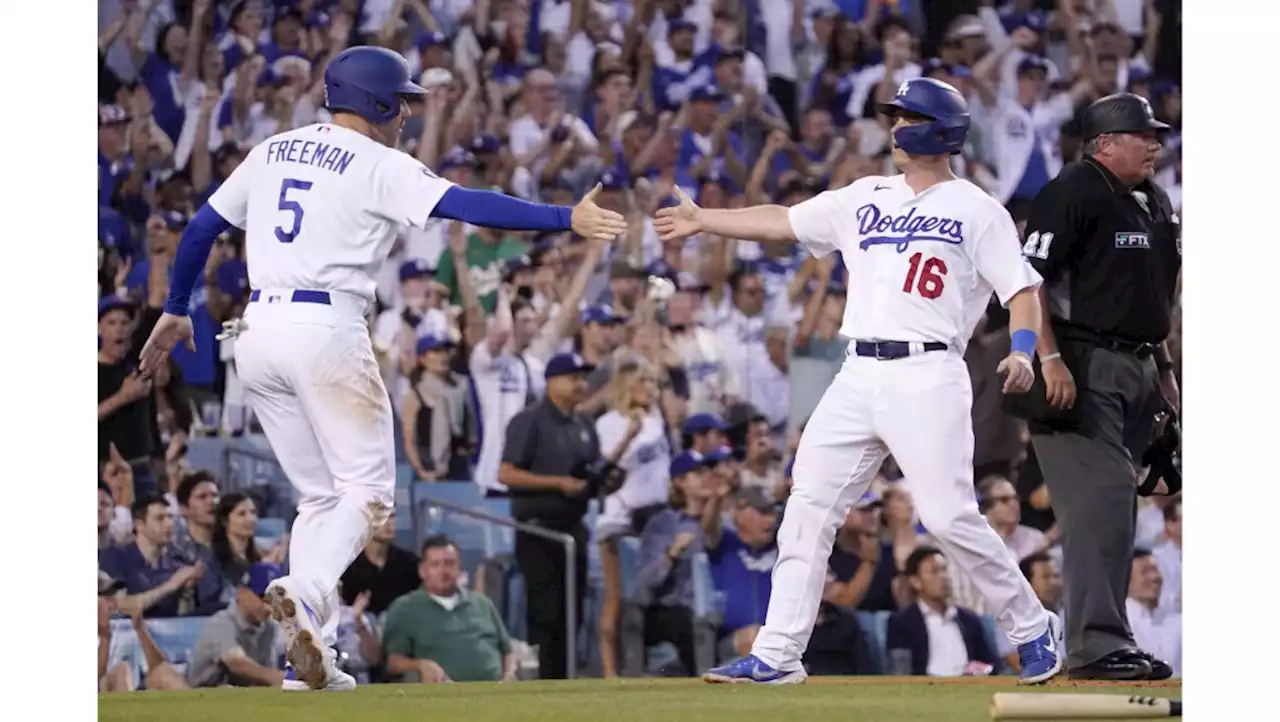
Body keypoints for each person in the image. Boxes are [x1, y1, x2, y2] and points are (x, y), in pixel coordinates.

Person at [138, 45, 627, 691]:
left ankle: (306, 660)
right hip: (326, 328)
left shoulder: (274, 148)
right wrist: (567, 217)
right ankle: (309, 595)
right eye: (402, 100)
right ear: (376, 102)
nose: (407, 113)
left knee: (321, 498)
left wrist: (177, 308)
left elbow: (201, 228)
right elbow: (470, 204)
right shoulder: (379, 162)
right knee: (369, 494)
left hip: (256, 333)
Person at [655, 77, 1063, 686]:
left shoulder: (978, 209)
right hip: (858, 371)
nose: (895, 125)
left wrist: (1026, 352)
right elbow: (784, 221)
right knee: (808, 505)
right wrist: (705, 219)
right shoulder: (865, 194)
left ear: (937, 129)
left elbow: (1023, 291)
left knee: (949, 516)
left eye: (906, 115)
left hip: (928, 371)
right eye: (894, 115)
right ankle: (779, 652)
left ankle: (1033, 628)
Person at [1007, 92, 1180, 681]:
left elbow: (1152, 301)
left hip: (1137, 367)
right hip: (1079, 365)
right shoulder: (1073, 191)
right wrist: (1047, 357)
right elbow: (1027, 283)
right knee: (1100, 503)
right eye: (1143, 134)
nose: (1155, 143)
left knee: (1116, 508)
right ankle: (1094, 646)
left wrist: (1165, 371)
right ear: (1106, 142)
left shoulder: (1153, 200)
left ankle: (1110, 640)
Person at [498, 352, 608, 680]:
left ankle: (566, 679)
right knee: (547, 612)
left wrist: (606, 482)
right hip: (538, 530)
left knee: (573, 612)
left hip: (574, 527)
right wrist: (557, 483)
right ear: (551, 381)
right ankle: (547, 681)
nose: (580, 384)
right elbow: (506, 473)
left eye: (583, 378)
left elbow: (588, 474)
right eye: (573, 377)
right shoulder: (529, 420)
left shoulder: (585, 423)